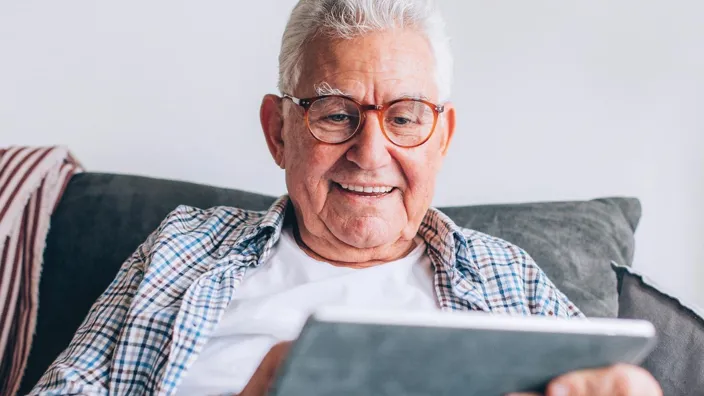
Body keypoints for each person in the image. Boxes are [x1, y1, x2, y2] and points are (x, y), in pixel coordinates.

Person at [31, 1, 661, 395]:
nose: (370, 151)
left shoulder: (509, 278)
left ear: (441, 137)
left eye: (406, 117)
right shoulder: (182, 248)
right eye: (335, 114)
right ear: (279, 131)